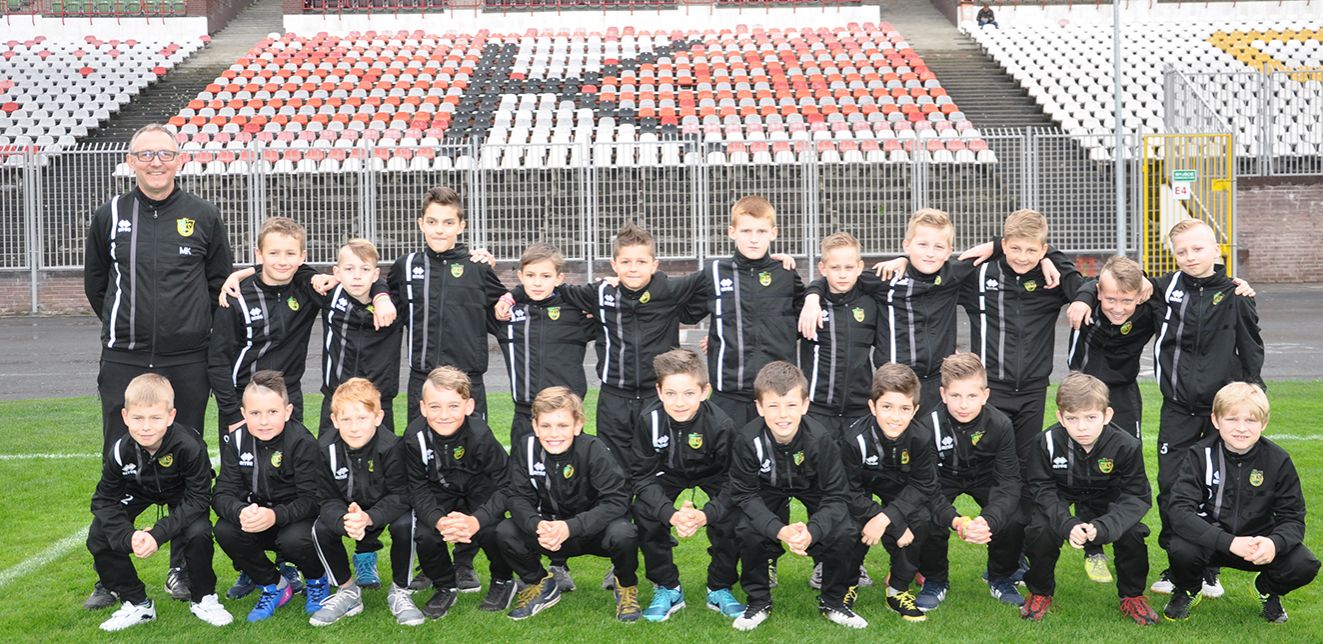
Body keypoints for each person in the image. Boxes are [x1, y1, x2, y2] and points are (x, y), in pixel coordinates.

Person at [82, 121, 233, 607]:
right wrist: (125, 324)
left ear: (180, 160)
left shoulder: (203, 215)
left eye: (164, 154)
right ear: (130, 161)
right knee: (119, 458)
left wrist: (186, 329)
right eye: (145, 154)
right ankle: (113, 574)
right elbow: (97, 285)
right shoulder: (109, 214)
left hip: (186, 359)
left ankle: (182, 568)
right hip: (123, 357)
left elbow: (219, 284)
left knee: (188, 459)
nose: (155, 162)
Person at [1145, 219, 1265, 598]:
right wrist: (1084, 296)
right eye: (1181, 251)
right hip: (1178, 408)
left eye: (1197, 249)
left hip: (1221, 411)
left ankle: (1210, 569)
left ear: (1216, 250)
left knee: (1218, 488)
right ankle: (1178, 566)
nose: (1190, 256)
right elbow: (1118, 280)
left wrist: (1254, 390)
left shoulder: (1236, 294)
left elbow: (1251, 347)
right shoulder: (1165, 288)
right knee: (1171, 486)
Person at [209, 217, 393, 430]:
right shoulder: (235, 297)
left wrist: (381, 296)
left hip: (289, 397)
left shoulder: (308, 288)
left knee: (294, 452)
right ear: (259, 254)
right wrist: (232, 414)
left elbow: (363, 281)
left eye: (290, 253)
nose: (282, 261)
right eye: (273, 253)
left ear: (302, 256)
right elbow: (218, 362)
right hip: (245, 400)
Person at [86, 374, 231, 631]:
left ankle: (204, 598)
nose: (146, 427)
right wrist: (128, 536)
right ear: (125, 417)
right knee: (99, 533)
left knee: (198, 531)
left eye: (155, 418)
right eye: (138, 418)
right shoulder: (120, 450)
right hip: (139, 489)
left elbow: (199, 498)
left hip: (181, 492)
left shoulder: (189, 446)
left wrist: (157, 534)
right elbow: (103, 501)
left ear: (171, 416)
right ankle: (137, 603)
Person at [1163, 382, 1318, 623]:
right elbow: (1179, 511)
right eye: (1232, 419)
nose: (1241, 428)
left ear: (1263, 423)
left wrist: (1274, 543)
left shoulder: (1278, 460)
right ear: (1216, 420)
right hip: (1212, 543)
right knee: (1180, 547)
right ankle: (1188, 589)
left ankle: (1266, 589)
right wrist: (1229, 542)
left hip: (1256, 546)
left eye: (1251, 420)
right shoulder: (1199, 455)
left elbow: (1293, 518)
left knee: (1304, 564)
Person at [726, 361, 862, 631]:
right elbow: (745, 495)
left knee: (845, 529)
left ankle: (833, 601)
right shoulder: (747, 439)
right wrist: (780, 530)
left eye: (790, 405)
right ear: (759, 407)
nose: (782, 415)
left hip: (811, 487)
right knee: (746, 528)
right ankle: (758, 601)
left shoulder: (820, 439)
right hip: (767, 487)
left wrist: (812, 531)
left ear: (805, 405)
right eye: (773, 406)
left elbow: (836, 495)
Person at [1020, 373, 1159, 625]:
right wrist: (1067, 524)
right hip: (1063, 491)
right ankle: (1039, 591)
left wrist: (1106, 526)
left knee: (1132, 533)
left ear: (1107, 415)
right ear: (1060, 417)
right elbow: (1041, 488)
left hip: (1107, 494)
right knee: (1040, 530)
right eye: (1072, 418)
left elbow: (1137, 496)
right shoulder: (1046, 442)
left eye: (1091, 417)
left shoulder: (1126, 445)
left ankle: (1132, 596)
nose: (1082, 427)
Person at [494, 387, 643, 622]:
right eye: (546, 426)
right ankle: (540, 583)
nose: (554, 434)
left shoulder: (593, 449)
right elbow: (517, 496)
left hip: (591, 533)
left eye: (562, 425)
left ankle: (625, 586)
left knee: (624, 532)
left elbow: (617, 500)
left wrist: (571, 527)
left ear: (577, 425)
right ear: (535, 426)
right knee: (506, 530)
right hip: (548, 533)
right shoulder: (526, 448)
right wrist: (537, 524)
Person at [628, 349, 743, 622]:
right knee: (645, 510)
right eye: (671, 393)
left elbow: (734, 481)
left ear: (704, 392)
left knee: (734, 514)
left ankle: (719, 587)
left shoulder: (721, 424)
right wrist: (670, 514)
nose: (679, 402)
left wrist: (706, 515)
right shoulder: (649, 420)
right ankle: (667, 587)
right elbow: (641, 477)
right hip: (668, 472)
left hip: (713, 473)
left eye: (689, 393)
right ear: (659, 391)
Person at [212, 371, 331, 622]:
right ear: (244, 414)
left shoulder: (302, 442)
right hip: (258, 519)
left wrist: (275, 515)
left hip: (295, 521)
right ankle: (274, 584)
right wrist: (241, 511)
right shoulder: (237, 440)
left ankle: (316, 580)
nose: (264, 421)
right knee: (225, 529)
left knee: (294, 539)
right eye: (255, 413)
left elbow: (313, 500)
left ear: (287, 412)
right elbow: (222, 493)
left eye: (272, 412)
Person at [403, 367, 517, 619]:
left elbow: (507, 484)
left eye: (453, 406)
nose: (444, 415)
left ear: (469, 406)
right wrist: (438, 520)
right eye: (435, 407)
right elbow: (417, 487)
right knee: (425, 534)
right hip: (441, 491)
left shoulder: (480, 435)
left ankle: (503, 580)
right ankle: (445, 585)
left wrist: (477, 520)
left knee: (494, 530)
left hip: (479, 491)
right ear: (423, 408)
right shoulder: (413, 438)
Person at [912, 352, 1024, 611]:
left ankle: (1000, 576)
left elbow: (1009, 483)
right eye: (955, 396)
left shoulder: (1000, 424)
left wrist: (989, 519)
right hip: (944, 477)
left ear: (985, 395)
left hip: (985, 476)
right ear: (943, 394)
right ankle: (935, 579)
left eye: (972, 396)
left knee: (1015, 516)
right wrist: (956, 520)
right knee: (924, 515)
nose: (964, 405)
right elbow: (927, 486)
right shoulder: (927, 426)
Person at [389, 186, 507, 424]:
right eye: (432, 222)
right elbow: (378, 295)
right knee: (420, 445)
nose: (439, 230)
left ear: (461, 226)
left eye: (448, 223)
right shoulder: (406, 267)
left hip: (468, 381)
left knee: (474, 445)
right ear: (421, 224)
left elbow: (508, 311)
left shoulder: (477, 268)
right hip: (423, 380)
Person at [306, 378, 418, 626]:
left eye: (362, 418)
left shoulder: (392, 446)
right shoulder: (324, 448)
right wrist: (345, 519)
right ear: (334, 420)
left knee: (406, 524)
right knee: (320, 529)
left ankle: (401, 590)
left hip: (384, 508)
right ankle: (347, 590)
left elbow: (402, 495)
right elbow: (324, 497)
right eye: (346, 420)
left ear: (378, 417)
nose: (354, 427)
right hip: (347, 510)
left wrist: (369, 517)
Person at [686, 196, 805, 428]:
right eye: (746, 231)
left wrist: (814, 295)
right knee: (726, 450)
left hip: (776, 395)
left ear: (773, 233)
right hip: (729, 395)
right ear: (732, 232)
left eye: (761, 231)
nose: (753, 239)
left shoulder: (785, 274)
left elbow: (803, 322)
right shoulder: (715, 273)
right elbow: (680, 306)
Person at [839, 363, 939, 622]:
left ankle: (897, 589)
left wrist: (887, 519)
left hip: (900, 490)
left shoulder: (921, 437)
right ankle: (846, 584)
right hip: (862, 490)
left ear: (915, 410)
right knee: (848, 525)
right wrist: (879, 519)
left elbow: (924, 484)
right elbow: (847, 491)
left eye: (904, 409)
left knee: (921, 519)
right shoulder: (854, 439)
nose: (895, 417)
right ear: (872, 406)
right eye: (887, 407)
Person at [496, 243, 594, 444]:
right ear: (521, 276)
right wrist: (510, 296)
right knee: (523, 464)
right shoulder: (507, 314)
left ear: (559, 278)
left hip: (566, 415)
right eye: (531, 275)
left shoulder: (575, 314)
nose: (537, 283)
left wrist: (612, 282)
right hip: (525, 415)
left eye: (546, 276)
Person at [797, 232, 881, 439]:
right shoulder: (810, 307)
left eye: (849, 268)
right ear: (822, 268)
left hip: (859, 409)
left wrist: (902, 259)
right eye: (835, 268)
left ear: (860, 267)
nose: (842, 275)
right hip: (817, 409)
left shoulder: (870, 303)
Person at [315, 240, 403, 435]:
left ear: (376, 274)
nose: (357, 276)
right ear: (337, 273)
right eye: (349, 269)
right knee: (328, 453)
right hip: (335, 399)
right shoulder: (329, 296)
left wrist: (381, 296)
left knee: (384, 453)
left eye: (365, 269)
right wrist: (245, 272)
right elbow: (289, 273)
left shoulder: (394, 305)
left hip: (378, 402)